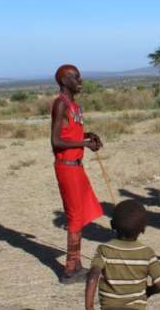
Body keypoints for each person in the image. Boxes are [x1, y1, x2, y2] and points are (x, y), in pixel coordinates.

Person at [50, 64, 104, 284]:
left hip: (76, 166)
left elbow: (70, 134)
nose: (80, 81)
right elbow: (56, 141)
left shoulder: (74, 106)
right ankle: (70, 270)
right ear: (64, 81)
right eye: (76, 77)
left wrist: (88, 135)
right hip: (67, 166)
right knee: (74, 216)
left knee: (79, 215)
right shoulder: (60, 104)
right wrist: (84, 143)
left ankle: (77, 265)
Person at [85, 199, 160, 310]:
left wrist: (89, 307)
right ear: (143, 229)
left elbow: (92, 277)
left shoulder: (104, 250)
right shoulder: (147, 253)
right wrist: (149, 291)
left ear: (112, 225)